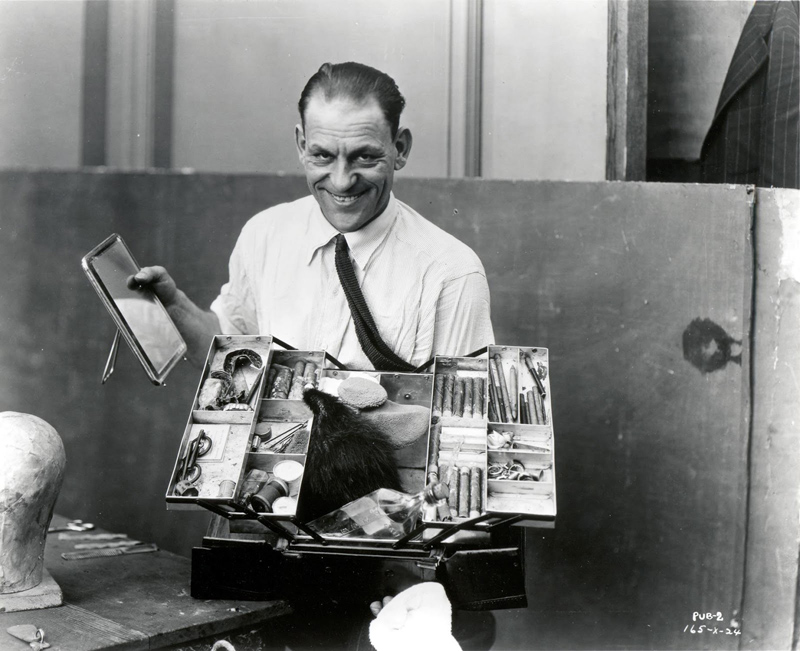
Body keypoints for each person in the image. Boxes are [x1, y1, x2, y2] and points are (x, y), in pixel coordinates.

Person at [131, 61, 493, 371]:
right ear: (302, 145)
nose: (341, 181)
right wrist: (174, 305)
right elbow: (229, 353)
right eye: (322, 156)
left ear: (399, 149)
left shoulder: (453, 273)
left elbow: (457, 427)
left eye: (364, 157)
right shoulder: (264, 235)